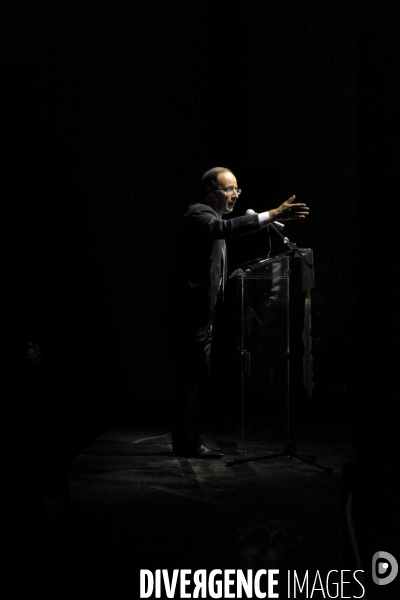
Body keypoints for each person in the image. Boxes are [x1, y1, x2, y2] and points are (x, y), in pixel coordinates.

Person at [167, 166, 309, 458]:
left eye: (237, 190)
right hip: (190, 317)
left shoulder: (216, 220)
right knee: (193, 380)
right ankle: (187, 441)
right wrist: (272, 214)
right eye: (229, 189)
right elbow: (226, 230)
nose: (234, 195)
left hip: (202, 318)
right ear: (209, 192)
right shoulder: (199, 214)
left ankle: (187, 438)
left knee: (198, 377)